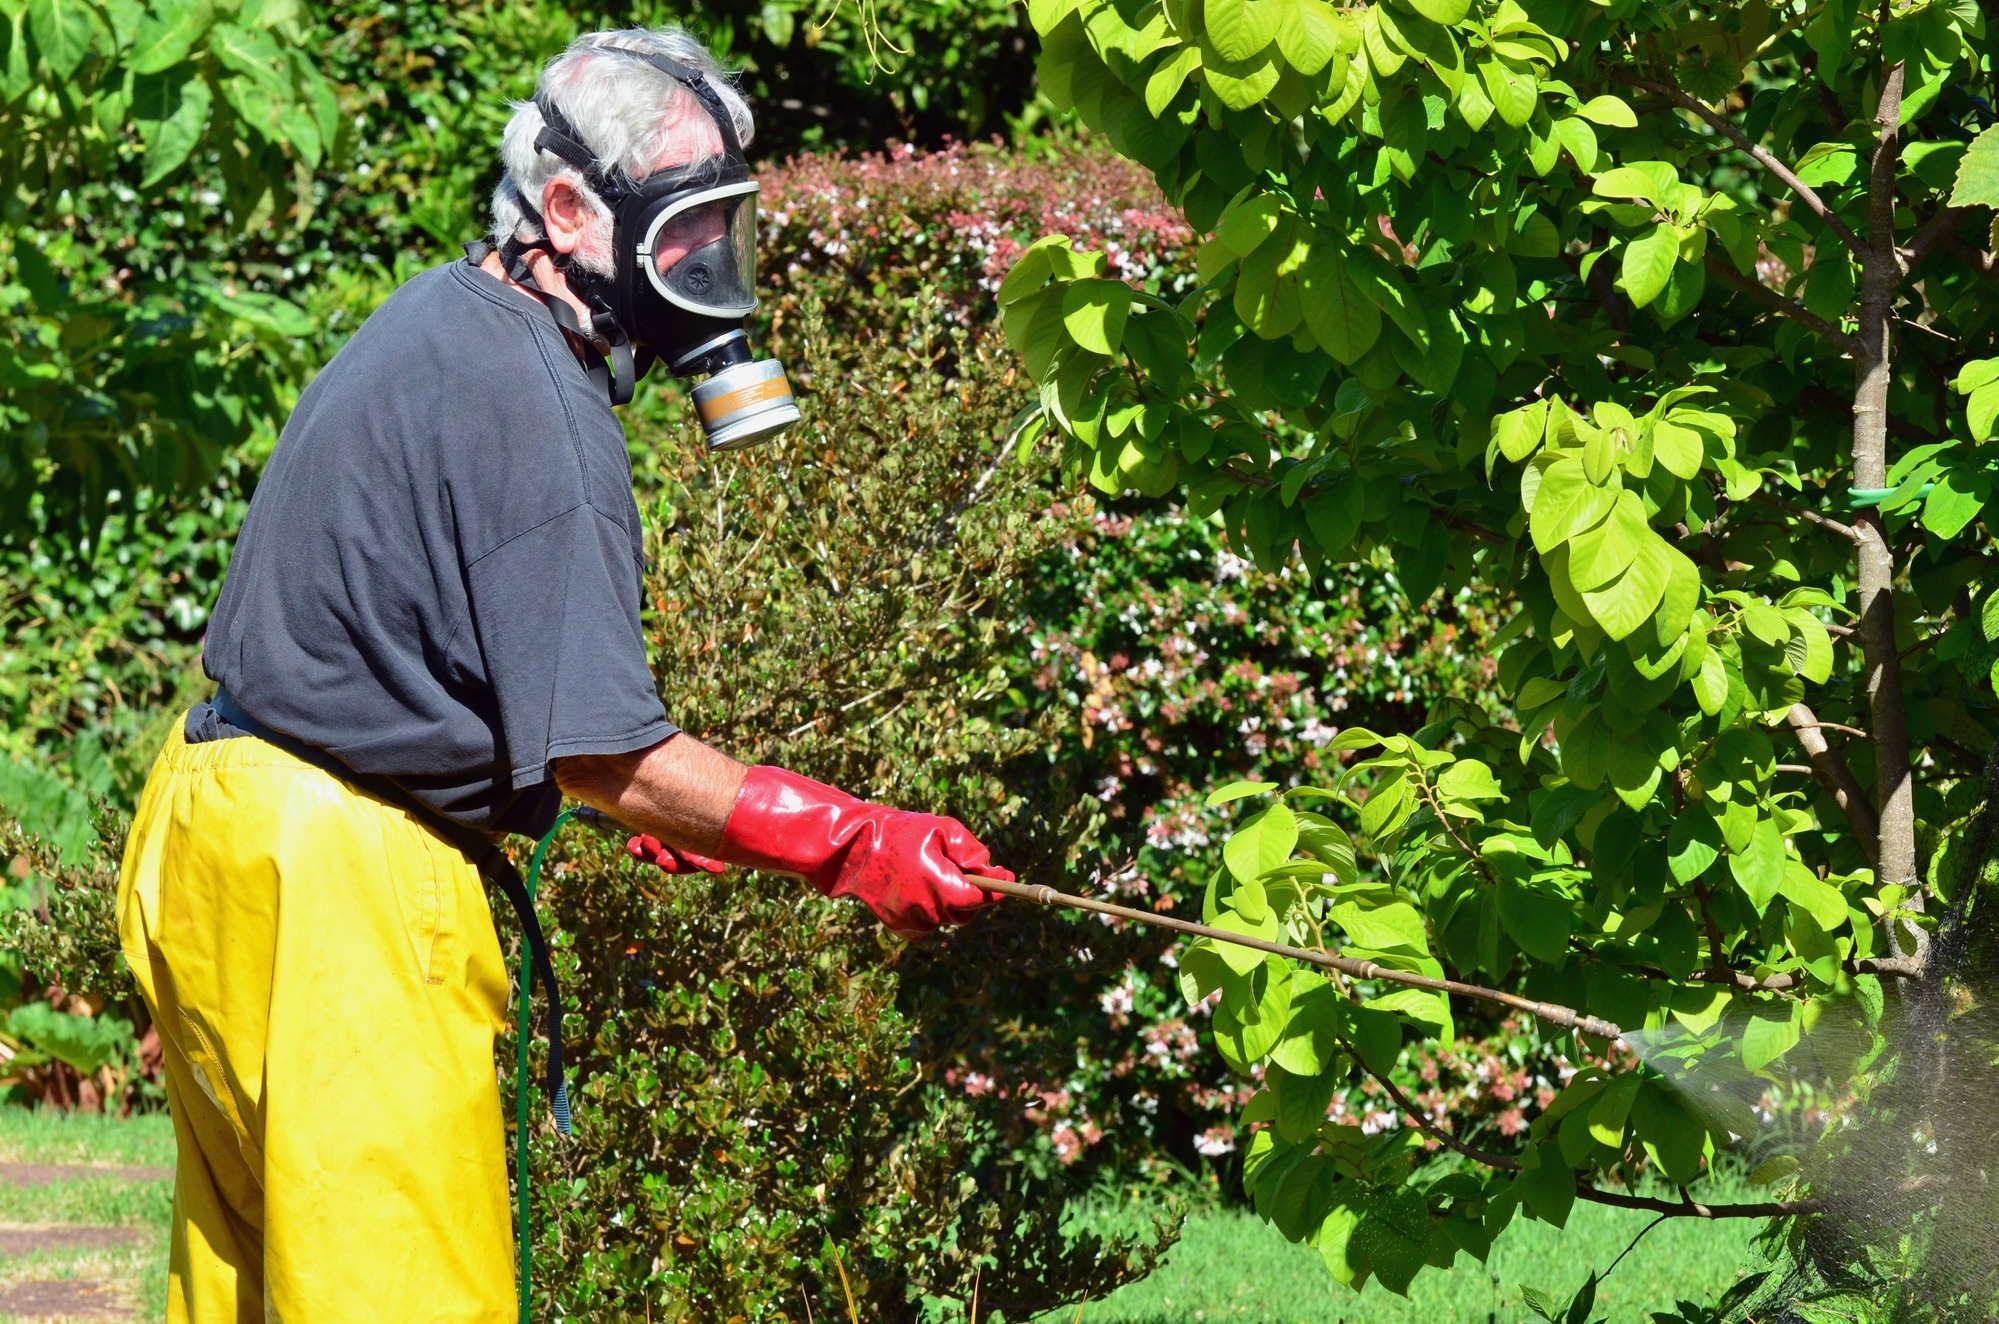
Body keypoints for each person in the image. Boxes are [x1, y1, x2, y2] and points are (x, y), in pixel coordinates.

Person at [115, 26, 1007, 1322]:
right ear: (575, 210)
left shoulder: (436, 316)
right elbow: (609, 757)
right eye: (688, 232)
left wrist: (596, 794)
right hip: (337, 902)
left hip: (212, 826)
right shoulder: (544, 409)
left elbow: (425, 648)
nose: (711, 270)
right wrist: (849, 840)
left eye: (726, 233)